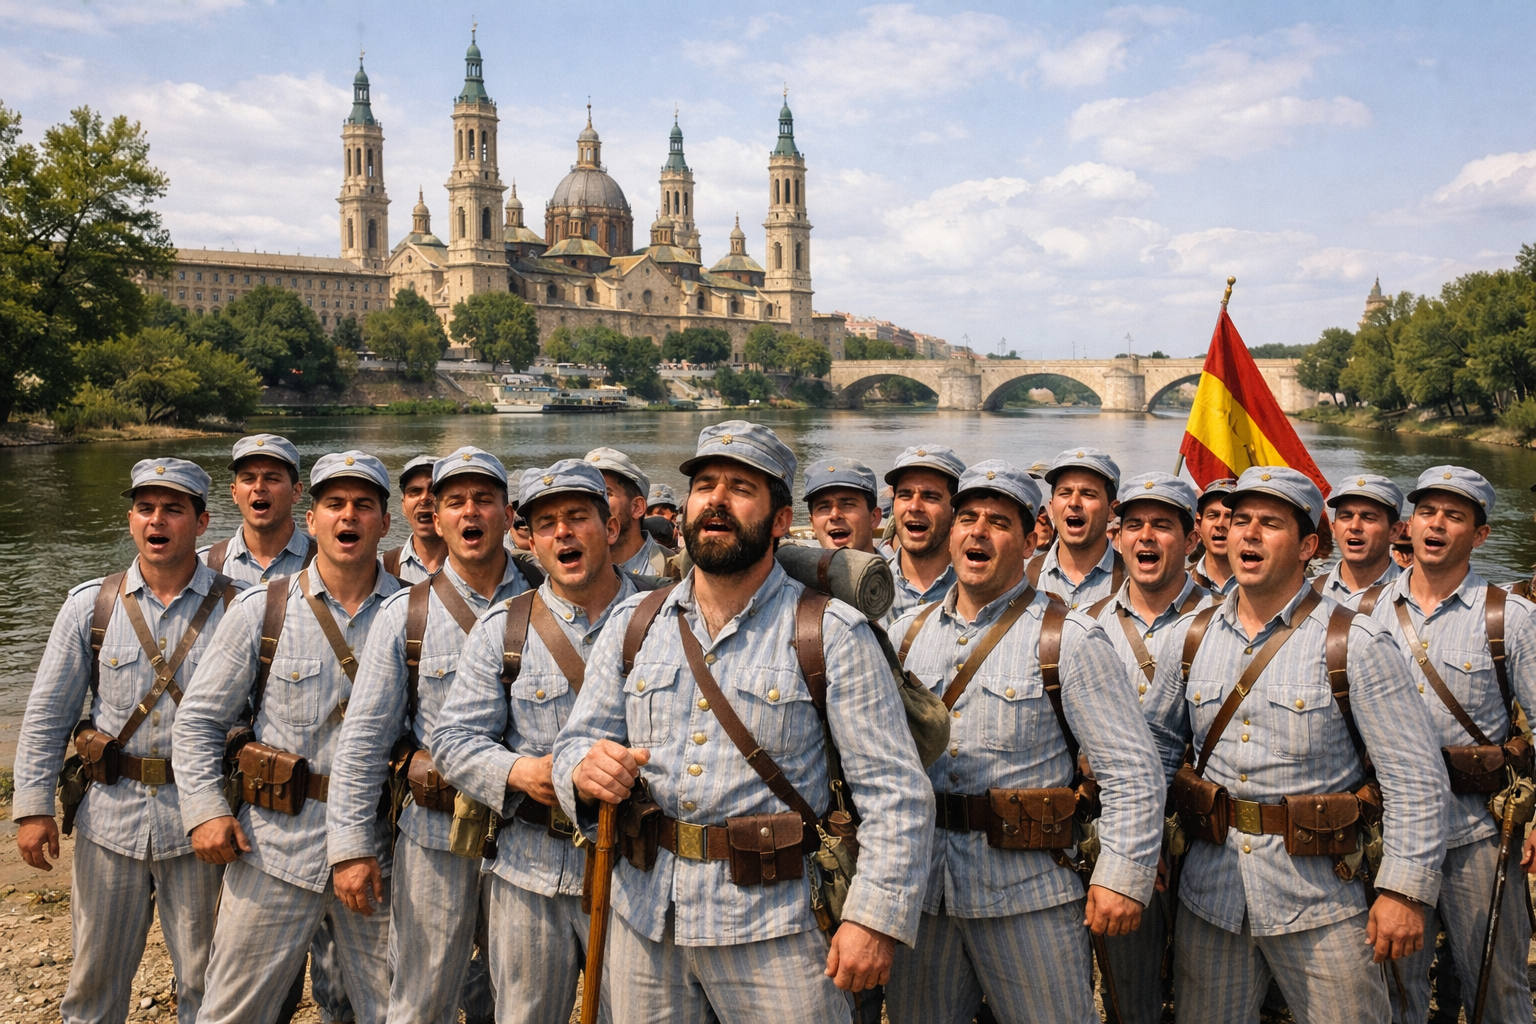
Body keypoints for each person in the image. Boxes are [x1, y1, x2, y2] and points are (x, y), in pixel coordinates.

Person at [553, 420, 934, 1023]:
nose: (717, 502)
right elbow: (576, 742)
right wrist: (583, 769)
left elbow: (897, 795)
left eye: (741, 488)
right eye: (705, 485)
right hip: (648, 923)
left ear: (781, 521)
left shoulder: (831, 634)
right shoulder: (634, 624)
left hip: (778, 931)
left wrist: (871, 920)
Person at [1143, 466, 1446, 1021]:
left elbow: (1415, 778)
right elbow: (1156, 755)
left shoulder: (1355, 639)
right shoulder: (1187, 637)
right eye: (1240, 521)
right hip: (1212, 896)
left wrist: (1404, 892)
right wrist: (1141, 851)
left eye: (1270, 524)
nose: (1249, 535)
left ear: (1308, 545)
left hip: (1324, 899)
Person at [883, 460, 1162, 1024]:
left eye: (998, 521)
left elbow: (1133, 773)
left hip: (1028, 895)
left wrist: (1121, 879)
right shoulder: (903, 635)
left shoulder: (1070, 639)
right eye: (966, 518)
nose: (977, 532)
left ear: (1033, 534)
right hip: (924, 894)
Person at [172, 451, 402, 1024]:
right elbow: (199, 720)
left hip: (381, 852)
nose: (348, 516)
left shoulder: (414, 614)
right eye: (334, 504)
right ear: (312, 519)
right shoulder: (262, 609)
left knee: (398, 1010)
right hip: (273, 847)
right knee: (232, 1010)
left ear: (384, 522)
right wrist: (203, 811)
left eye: (363, 505)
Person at [14, 458, 240, 1024]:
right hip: (109, 819)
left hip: (203, 822)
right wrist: (32, 808)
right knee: (94, 980)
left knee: (207, 982)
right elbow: (48, 712)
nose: (157, 520)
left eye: (173, 509)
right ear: (131, 518)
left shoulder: (243, 608)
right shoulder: (91, 605)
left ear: (201, 521)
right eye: (145, 508)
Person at [431, 459, 642, 1023]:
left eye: (578, 517)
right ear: (527, 537)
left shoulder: (664, 617)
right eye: (545, 524)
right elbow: (452, 740)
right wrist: (521, 773)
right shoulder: (504, 628)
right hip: (529, 872)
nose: (562, 533)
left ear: (612, 527)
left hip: (636, 873)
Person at [327, 447, 531, 1024]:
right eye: (455, 502)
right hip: (435, 835)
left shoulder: (547, 598)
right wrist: (350, 848)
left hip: (530, 839)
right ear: (435, 518)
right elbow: (363, 742)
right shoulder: (405, 614)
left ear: (507, 513)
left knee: (521, 995)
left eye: (484, 500)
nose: (471, 513)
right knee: (420, 995)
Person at [1369, 466, 1536, 1023]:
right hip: (1385, 834)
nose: (1436, 524)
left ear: (1480, 535)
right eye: (1427, 512)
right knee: (1393, 988)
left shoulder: (1509, 619)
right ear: (1409, 525)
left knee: (1496, 987)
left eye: (1455, 515)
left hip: (1478, 836)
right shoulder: (1362, 617)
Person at [1086, 472, 1210, 1024]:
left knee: (1208, 991)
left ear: (1193, 538)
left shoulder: (1230, 622)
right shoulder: (1081, 628)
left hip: (1208, 841)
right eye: (1133, 525)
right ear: (1116, 538)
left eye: (1163, 525)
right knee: (1127, 994)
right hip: (1113, 835)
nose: (1146, 538)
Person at [201, 434, 316, 582]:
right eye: (248, 479)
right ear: (234, 492)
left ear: (296, 491)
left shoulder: (325, 563)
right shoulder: (204, 565)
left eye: (272, 478)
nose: (259, 487)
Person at [1029, 448, 1124, 609]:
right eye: (1065, 493)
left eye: (1088, 494)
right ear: (1051, 508)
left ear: (1112, 510)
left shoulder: (1134, 580)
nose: (1074, 503)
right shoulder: (1023, 577)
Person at [883, 444, 966, 624]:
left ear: (956, 512)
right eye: (905, 495)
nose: (914, 507)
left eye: (930, 497)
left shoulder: (978, 591)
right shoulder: (866, 585)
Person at [1312, 473, 1403, 610]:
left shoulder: (1418, 597)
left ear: (1394, 531)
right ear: (1334, 528)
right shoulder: (1307, 594)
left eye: (1369, 517)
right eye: (1346, 516)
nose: (1354, 526)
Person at [587, 447, 671, 575]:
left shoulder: (672, 568)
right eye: (586, 496)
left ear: (637, 507)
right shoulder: (573, 567)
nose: (590, 504)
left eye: (605, 494)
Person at [382, 455, 446, 581]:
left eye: (433, 491)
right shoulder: (384, 568)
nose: (424, 498)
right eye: (415, 491)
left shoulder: (475, 565)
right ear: (403, 505)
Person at [804, 457, 883, 553]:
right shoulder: (791, 567)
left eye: (847, 504)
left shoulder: (897, 568)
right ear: (813, 524)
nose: (834, 515)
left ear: (874, 517)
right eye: (823, 507)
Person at [1189, 478, 1237, 596]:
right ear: (1199, 525)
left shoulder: (1265, 588)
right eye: (1212, 516)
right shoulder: (1179, 584)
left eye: (1228, 516)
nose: (1219, 524)